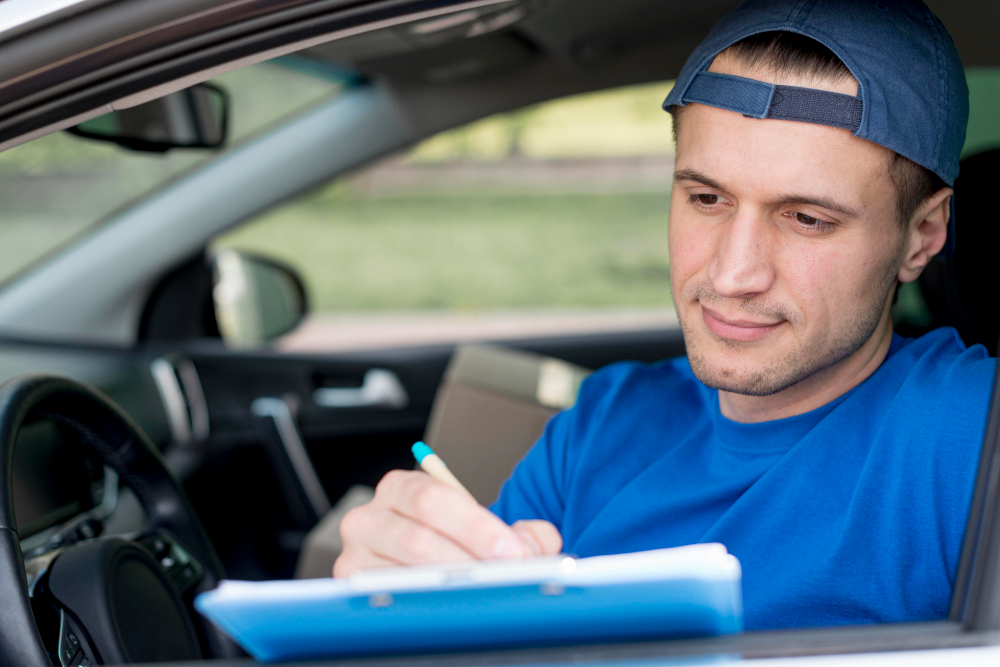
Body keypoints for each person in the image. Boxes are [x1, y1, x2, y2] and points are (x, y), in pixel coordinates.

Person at [334, 0, 997, 630]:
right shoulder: (600, 424)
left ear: (923, 234)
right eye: (707, 198)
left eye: (807, 218)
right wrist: (398, 607)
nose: (733, 275)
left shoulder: (967, 432)